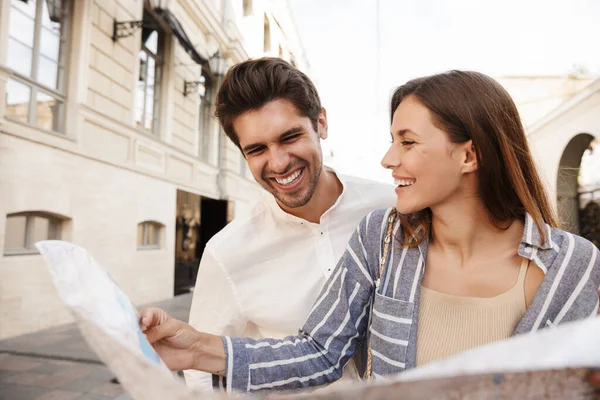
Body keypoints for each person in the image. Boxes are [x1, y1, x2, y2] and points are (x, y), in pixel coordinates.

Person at [141, 70, 600, 393]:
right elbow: (320, 351)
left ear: (468, 156)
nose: (387, 160)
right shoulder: (382, 238)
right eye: (257, 148)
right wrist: (196, 349)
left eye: (408, 142)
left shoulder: (574, 267)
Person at [184, 58, 395, 390]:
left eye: (290, 137)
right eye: (257, 149)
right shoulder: (227, 252)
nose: (279, 163)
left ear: (321, 123)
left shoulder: (392, 210)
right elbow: (201, 376)